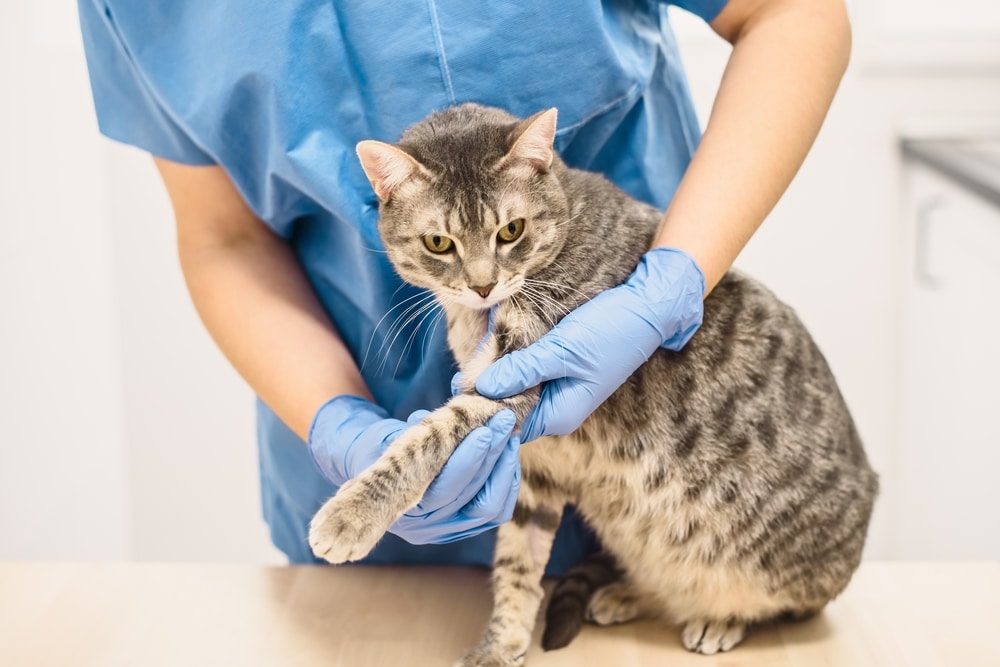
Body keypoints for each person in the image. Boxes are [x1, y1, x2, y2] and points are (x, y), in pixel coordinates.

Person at [77, 0, 851, 569]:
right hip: (355, 442)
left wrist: (671, 281)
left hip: (656, 434)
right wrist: (340, 425)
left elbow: (793, 14)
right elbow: (225, 236)